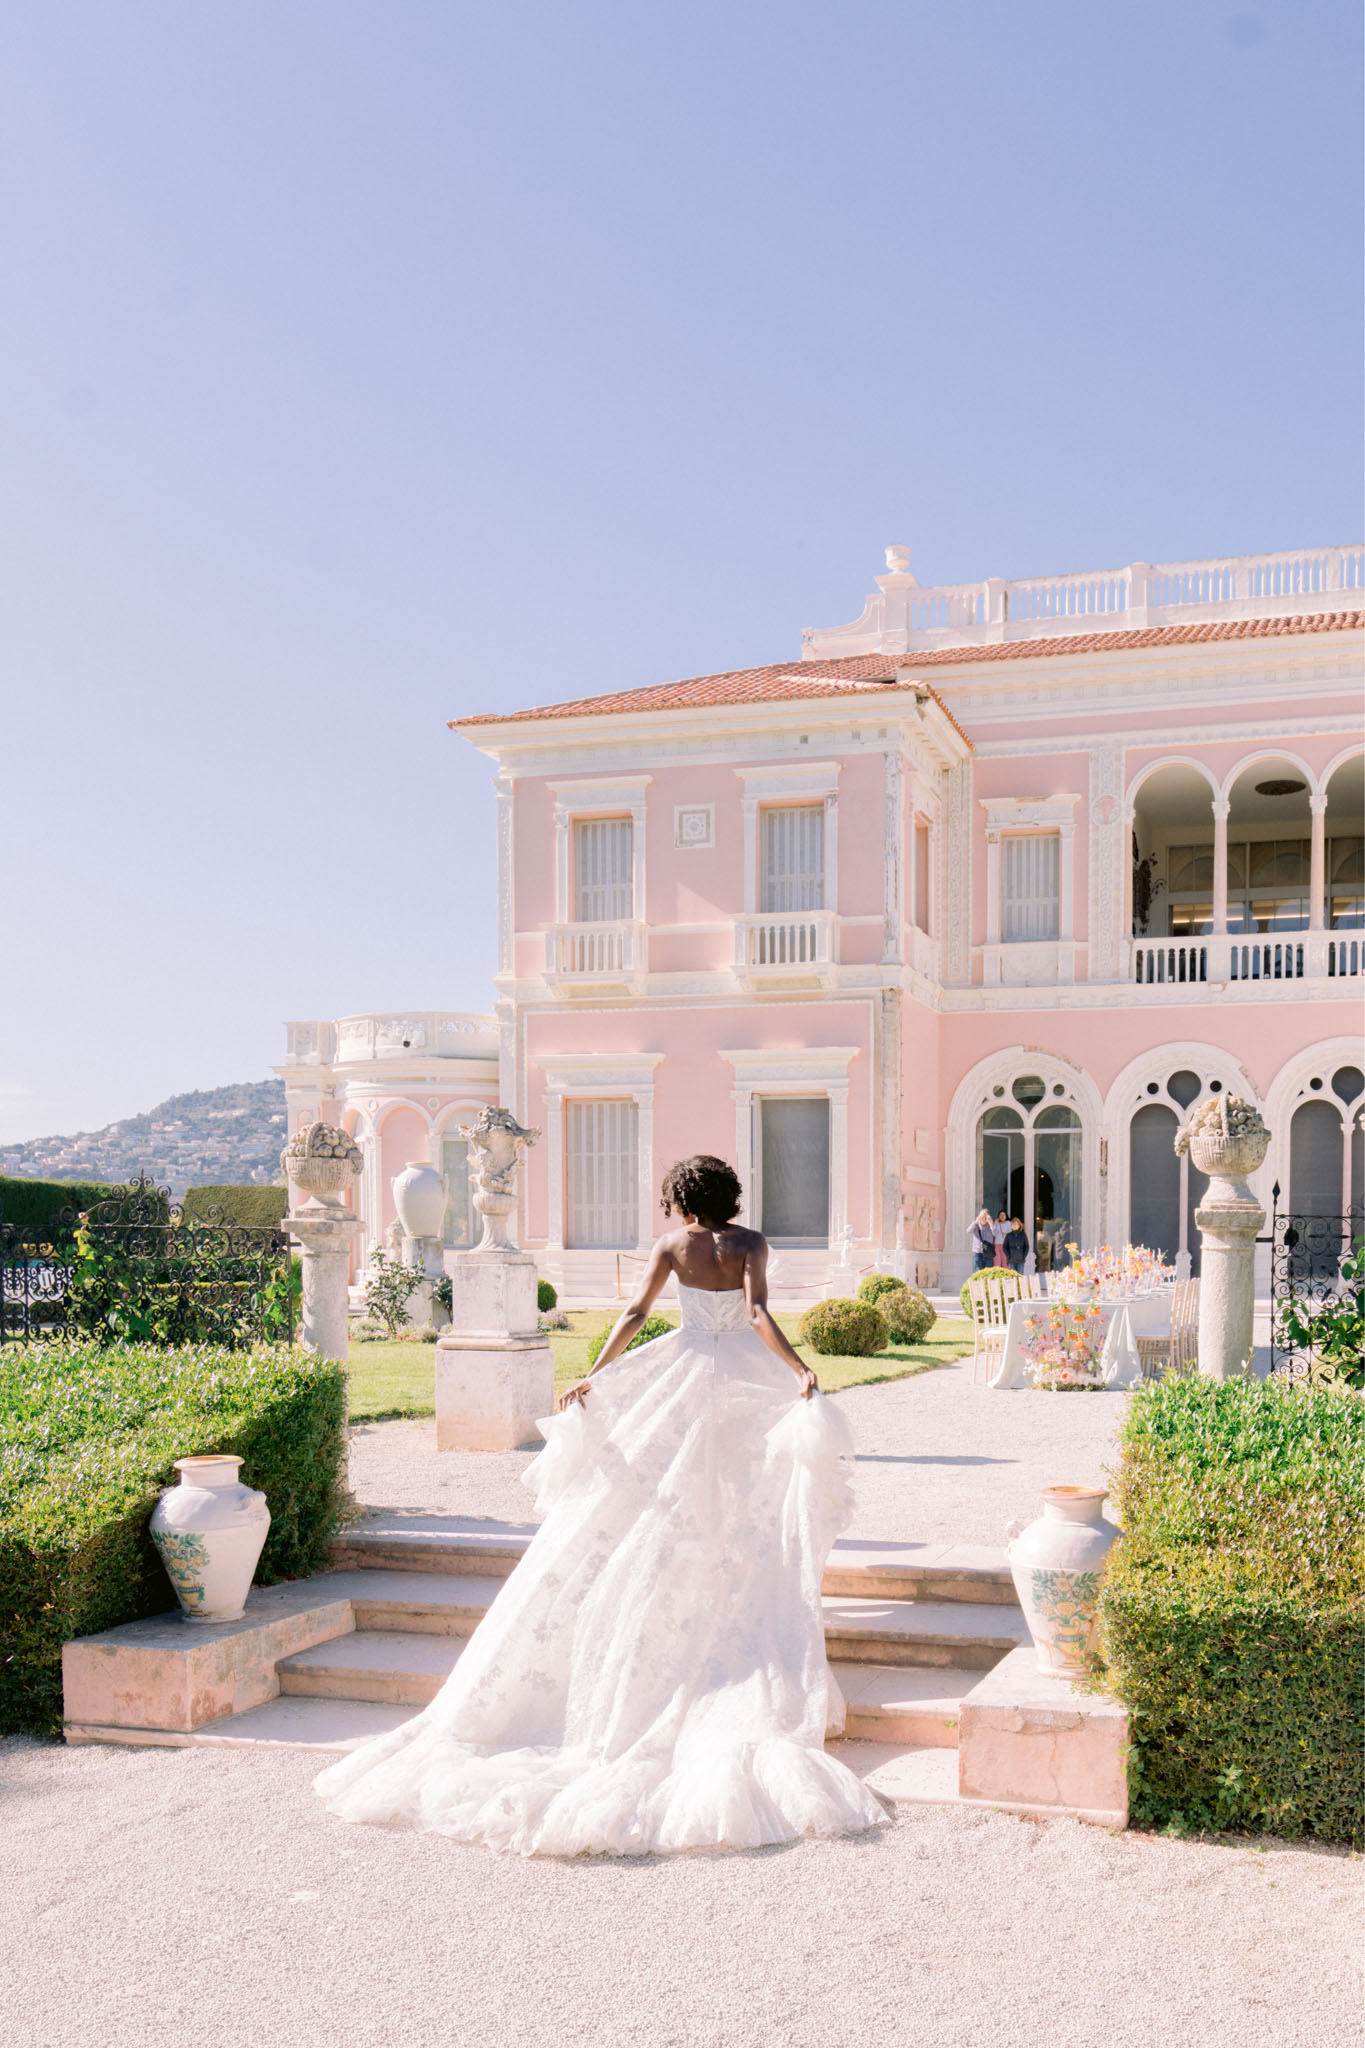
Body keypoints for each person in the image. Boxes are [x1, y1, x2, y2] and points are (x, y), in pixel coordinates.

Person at [315, 1154, 885, 1857]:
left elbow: (636, 1312)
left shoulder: (673, 1247)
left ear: (679, 1199)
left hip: (681, 1369)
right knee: (741, 1503)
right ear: (729, 1195)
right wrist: (796, 1369)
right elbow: (758, 1311)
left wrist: (594, 1374)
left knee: (656, 1501)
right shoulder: (748, 1244)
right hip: (740, 1373)